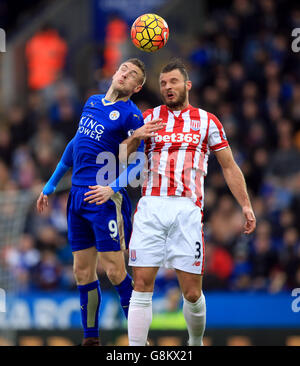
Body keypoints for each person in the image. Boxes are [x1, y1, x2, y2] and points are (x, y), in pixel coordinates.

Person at [104, 58, 256, 346]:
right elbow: (122, 156)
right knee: (141, 284)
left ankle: (195, 342)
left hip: (187, 209)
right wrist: (136, 136)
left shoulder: (207, 121)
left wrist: (245, 205)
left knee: (191, 293)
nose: (167, 87)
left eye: (173, 82)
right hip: (151, 206)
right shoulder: (148, 116)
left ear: (187, 85)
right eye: (163, 83)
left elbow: (228, 166)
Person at [36, 58, 163, 346]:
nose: (124, 75)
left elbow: (140, 161)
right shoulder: (92, 101)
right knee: (82, 272)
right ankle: (90, 340)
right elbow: (75, 144)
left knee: (115, 270)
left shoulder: (132, 116)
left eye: (132, 75)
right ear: (116, 73)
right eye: (123, 70)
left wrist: (112, 188)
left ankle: (138, 342)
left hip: (104, 198)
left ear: (137, 87)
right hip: (77, 197)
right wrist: (52, 183)